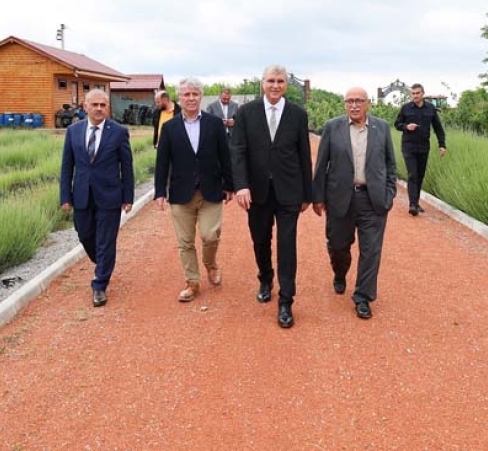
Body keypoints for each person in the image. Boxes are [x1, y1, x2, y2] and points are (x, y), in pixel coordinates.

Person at [231, 65, 313, 328]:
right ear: (262, 83)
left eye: (280, 81)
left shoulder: (298, 114)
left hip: (289, 191)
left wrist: (308, 194)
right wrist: (241, 185)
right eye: (270, 81)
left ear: (286, 84)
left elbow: (304, 155)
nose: (275, 85)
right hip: (256, 192)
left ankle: (286, 301)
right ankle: (265, 279)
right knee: (260, 240)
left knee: (287, 246)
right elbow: (238, 151)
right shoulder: (246, 113)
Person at [312, 87, 397, 319]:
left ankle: (363, 297)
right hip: (340, 198)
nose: (354, 105)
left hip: (373, 199)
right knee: (338, 245)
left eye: (359, 100)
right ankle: (340, 273)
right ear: (344, 104)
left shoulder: (381, 127)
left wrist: (389, 194)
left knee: (371, 251)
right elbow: (321, 164)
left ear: (368, 103)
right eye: (349, 101)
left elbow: (390, 165)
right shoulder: (332, 127)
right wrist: (317, 197)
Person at [154, 77, 234, 301]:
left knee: (210, 235)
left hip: (211, 191)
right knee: (185, 242)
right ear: (179, 98)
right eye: (186, 94)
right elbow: (162, 162)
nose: (190, 98)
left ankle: (211, 264)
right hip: (180, 193)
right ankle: (192, 282)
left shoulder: (214, 124)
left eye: (195, 94)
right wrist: (159, 191)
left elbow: (225, 156)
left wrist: (229, 185)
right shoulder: (169, 128)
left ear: (201, 97)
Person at [60, 89, 135, 307]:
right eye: (95, 105)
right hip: (82, 195)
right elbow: (67, 166)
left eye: (103, 105)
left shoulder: (118, 132)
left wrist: (128, 197)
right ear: (85, 107)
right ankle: (103, 261)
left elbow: (126, 167)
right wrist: (65, 196)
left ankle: (100, 284)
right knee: (84, 234)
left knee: (106, 240)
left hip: (109, 195)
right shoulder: (73, 131)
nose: (99, 109)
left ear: (107, 107)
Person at [394, 83, 446, 216]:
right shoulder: (406, 108)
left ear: (423, 94)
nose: (415, 96)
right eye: (413, 93)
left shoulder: (430, 109)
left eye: (417, 93)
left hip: (423, 147)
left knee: (420, 175)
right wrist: (406, 127)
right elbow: (397, 124)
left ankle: (416, 203)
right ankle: (412, 205)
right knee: (412, 174)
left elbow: (438, 128)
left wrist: (442, 145)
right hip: (408, 146)